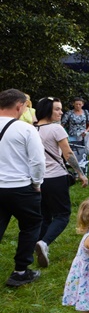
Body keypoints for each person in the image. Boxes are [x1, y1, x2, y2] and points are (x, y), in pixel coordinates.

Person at [34, 97, 89, 268]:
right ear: (48, 110)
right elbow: (68, 154)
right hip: (56, 178)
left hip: (37, 180)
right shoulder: (56, 129)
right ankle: (44, 243)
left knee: (44, 216)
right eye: (57, 109)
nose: (61, 112)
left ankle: (37, 245)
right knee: (62, 215)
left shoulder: (31, 129)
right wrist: (81, 173)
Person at [0, 89, 46, 287]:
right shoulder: (26, 129)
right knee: (30, 226)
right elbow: (37, 162)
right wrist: (37, 183)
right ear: (19, 106)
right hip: (21, 187)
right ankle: (20, 271)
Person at [61, 97, 89, 165]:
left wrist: (86, 131)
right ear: (73, 104)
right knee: (73, 152)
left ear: (82, 104)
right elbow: (62, 124)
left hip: (83, 135)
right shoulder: (69, 113)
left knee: (82, 152)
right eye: (76, 104)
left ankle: (83, 166)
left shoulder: (86, 113)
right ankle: (73, 165)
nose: (78, 106)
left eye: (79, 104)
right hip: (72, 135)